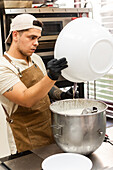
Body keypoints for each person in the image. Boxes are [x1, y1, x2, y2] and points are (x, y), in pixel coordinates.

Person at [0, 14, 74, 154]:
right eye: (32, 37)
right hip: (26, 138)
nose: (36, 43)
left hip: (47, 128)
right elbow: (26, 99)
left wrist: (61, 94)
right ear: (15, 35)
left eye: (38, 38)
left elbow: (44, 86)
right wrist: (51, 76)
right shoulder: (3, 68)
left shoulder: (35, 59)